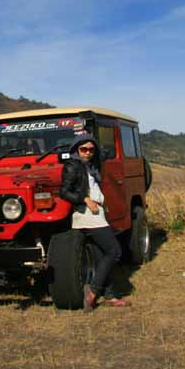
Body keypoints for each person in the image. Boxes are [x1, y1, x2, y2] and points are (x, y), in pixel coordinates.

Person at [59, 133, 130, 311]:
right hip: (87, 214)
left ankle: (110, 296)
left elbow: (104, 154)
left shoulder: (91, 166)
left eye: (91, 149)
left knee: (101, 255)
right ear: (76, 149)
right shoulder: (72, 166)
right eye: (83, 149)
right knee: (114, 251)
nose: (87, 153)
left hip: (97, 212)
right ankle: (93, 291)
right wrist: (85, 199)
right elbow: (64, 191)